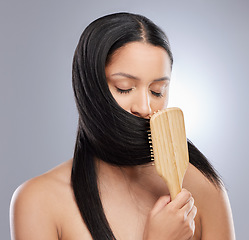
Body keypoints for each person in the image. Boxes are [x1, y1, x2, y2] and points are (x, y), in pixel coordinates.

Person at [10, 12, 235, 240]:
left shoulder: (203, 188)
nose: (145, 108)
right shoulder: (38, 201)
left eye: (157, 91)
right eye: (125, 88)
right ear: (90, 88)